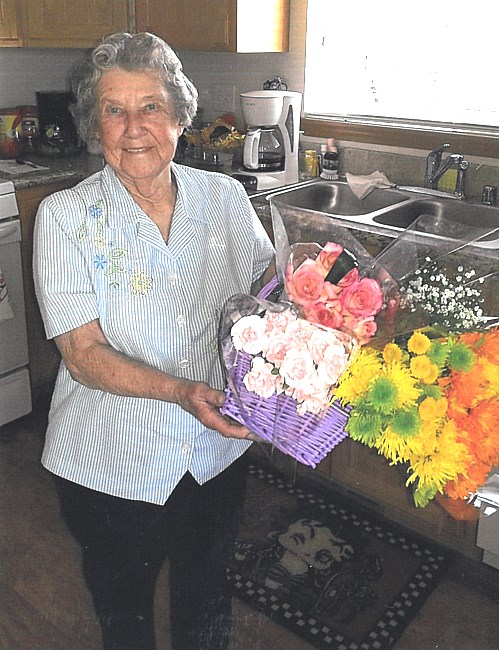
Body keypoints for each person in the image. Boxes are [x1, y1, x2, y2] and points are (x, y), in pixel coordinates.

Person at [33, 32, 275, 650]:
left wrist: (325, 304)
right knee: (125, 617)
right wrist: (181, 390)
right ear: (95, 125)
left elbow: (269, 293)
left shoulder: (224, 199)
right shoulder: (66, 217)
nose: (133, 127)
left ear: (179, 118)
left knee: (207, 600)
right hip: (112, 462)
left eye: (150, 107)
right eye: (113, 110)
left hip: (214, 449)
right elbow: (83, 356)